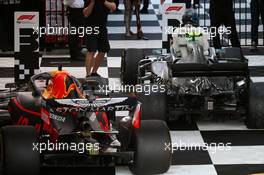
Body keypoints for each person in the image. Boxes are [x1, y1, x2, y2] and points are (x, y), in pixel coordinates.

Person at [83, 0, 116, 78]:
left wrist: (103, 1)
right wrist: (92, 3)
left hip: (102, 27)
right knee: (91, 50)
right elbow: (85, 13)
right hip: (90, 27)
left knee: (104, 49)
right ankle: (88, 75)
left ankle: (94, 72)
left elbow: (113, 7)